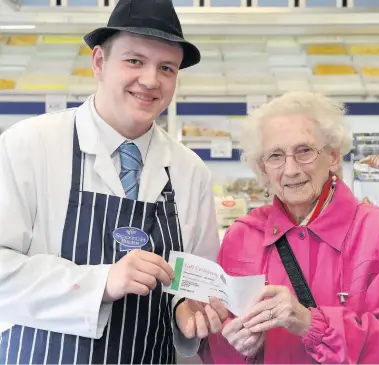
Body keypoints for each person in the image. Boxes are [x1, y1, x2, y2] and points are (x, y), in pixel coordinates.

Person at [0, 0, 226, 364]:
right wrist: (100, 282)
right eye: (135, 61)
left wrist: (187, 309)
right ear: (99, 62)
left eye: (166, 67)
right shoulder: (29, 145)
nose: (151, 80)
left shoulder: (190, 171)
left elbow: (192, 282)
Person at [199, 91, 379, 364]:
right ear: (263, 169)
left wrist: (309, 323)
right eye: (276, 155)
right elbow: (215, 350)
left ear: (334, 157)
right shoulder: (241, 236)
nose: (291, 170)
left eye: (304, 151)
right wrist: (236, 344)